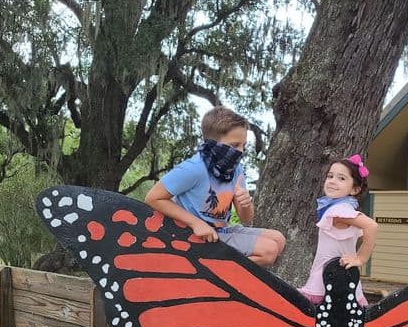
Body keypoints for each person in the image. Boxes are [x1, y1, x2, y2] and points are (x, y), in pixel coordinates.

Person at [145, 106, 285, 266]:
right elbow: (153, 198)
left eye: (243, 146)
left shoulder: (236, 170)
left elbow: (246, 218)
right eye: (234, 145)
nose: (240, 152)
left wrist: (245, 203)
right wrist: (195, 223)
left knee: (278, 240)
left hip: (222, 231)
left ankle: (224, 271)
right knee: (269, 250)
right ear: (212, 144)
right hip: (194, 235)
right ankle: (213, 275)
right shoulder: (194, 168)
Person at [300, 154, 378, 306]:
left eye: (341, 178)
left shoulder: (338, 210)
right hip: (347, 285)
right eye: (330, 176)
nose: (332, 181)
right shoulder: (346, 209)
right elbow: (366, 236)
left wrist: (360, 258)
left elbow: (372, 226)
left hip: (323, 286)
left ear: (355, 189)